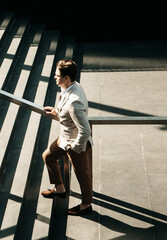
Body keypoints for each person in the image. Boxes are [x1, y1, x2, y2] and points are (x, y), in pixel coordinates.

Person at [42, 59, 93, 216]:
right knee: (48, 156)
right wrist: (56, 113)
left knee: (82, 174)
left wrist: (75, 147)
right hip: (64, 138)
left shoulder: (74, 101)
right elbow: (67, 114)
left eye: (57, 75)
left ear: (66, 78)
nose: (54, 77)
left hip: (75, 144)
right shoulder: (71, 87)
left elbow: (85, 130)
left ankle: (86, 204)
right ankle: (59, 188)